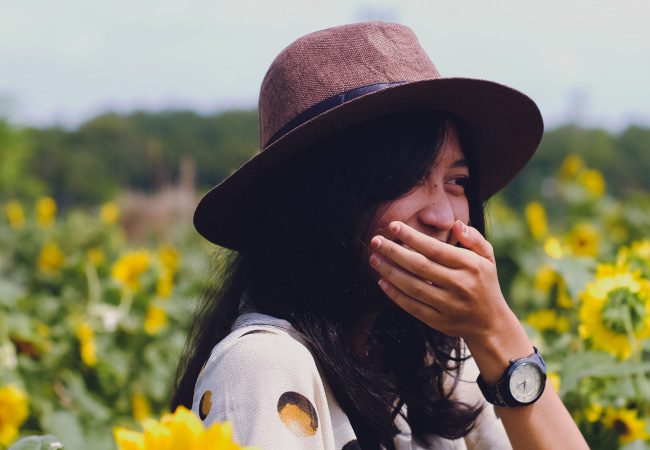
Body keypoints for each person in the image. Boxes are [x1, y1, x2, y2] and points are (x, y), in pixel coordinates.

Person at [170, 22, 589, 450]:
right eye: (402, 179)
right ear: (315, 205)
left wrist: (497, 334)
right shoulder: (264, 367)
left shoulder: (436, 361)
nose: (442, 215)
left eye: (457, 180)